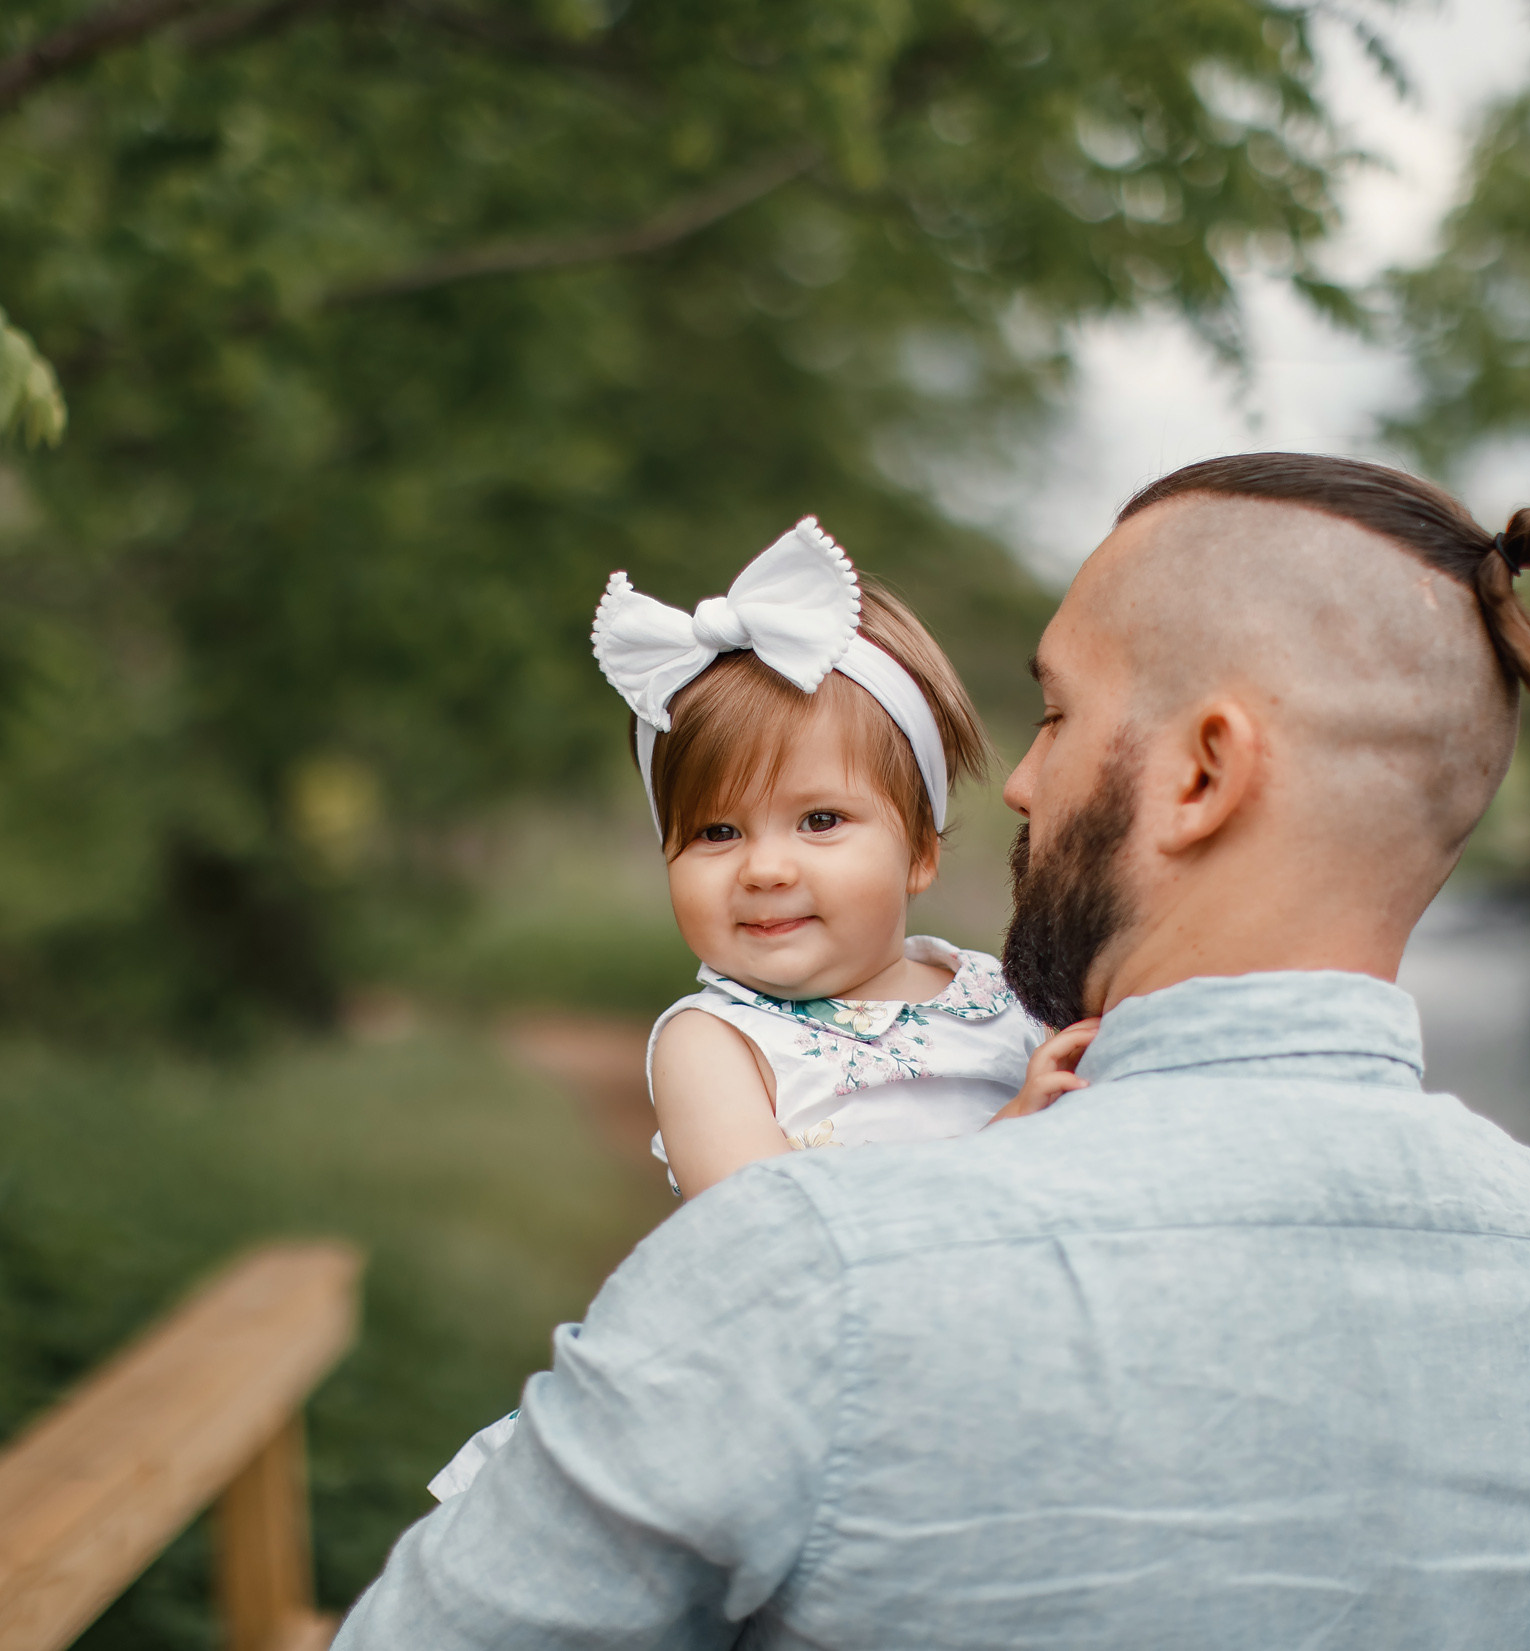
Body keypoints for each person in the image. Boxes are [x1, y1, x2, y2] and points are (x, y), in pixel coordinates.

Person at [335, 454, 1530, 1650]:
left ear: (1201, 774)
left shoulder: (814, 1273)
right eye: (719, 833)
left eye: (1058, 715)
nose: (1016, 782)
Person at [427, 515, 1087, 1500]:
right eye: (716, 832)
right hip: (773, 1393)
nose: (766, 868)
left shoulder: (1005, 996)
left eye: (820, 821)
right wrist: (1001, 1144)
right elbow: (771, 1234)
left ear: (918, 849)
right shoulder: (713, 1043)